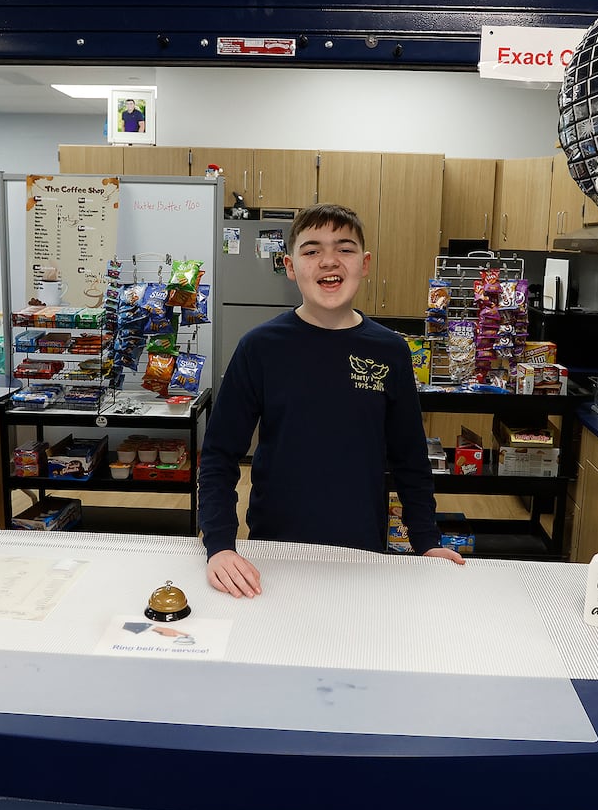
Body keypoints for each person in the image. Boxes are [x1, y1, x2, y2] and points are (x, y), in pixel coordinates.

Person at [197, 203, 465, 598]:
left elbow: (410, 459)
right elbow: (219, 455)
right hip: (274, 551)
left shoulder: (390, 351)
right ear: (290, 266)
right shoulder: (259, 348)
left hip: (363, 549)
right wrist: (219, 545)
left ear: (365, 263)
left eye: (344, 248)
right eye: (311, 250)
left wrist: (426, 541)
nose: (328, 261)